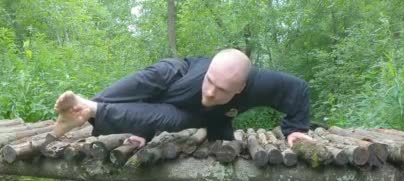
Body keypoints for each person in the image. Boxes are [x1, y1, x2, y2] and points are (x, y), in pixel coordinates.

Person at [52, 48, 312, 147]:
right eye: (210, 81)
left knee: (173, 119)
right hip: (176, 77)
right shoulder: (197, 76)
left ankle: (86, 110)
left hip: (197, 116)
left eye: (222, 89)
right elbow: (146, 96)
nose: (210, 91)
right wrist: (143, 129)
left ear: (240, 88)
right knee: (151, 78)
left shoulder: (261, 83)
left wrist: (296, 128)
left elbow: (298, 89)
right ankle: (82, 109)